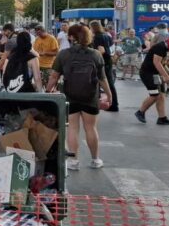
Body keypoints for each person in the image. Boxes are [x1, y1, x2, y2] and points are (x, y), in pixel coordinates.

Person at [47, 24, 112, 170]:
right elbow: (102, 78)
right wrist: (109, 95)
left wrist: (47, 91)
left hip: (70, 96)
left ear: (71, 37)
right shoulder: (95, 54)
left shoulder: (63, 54)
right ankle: (95, 160)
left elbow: (54, 76)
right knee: (91, 128)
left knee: (73, 128)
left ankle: (73, 161)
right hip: (90, 96)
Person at [135, 34, 169, 125]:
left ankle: (162, 118)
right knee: (155, 95)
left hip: (156, 74)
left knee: (161, 95)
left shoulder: (165, 48)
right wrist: (166, 77)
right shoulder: (160, 47)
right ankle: (140, 112)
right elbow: (157, 63)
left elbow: (162, 64)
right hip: (148, 73)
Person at [89, 21, 118, 112]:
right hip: (108, 60)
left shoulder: (97, 37)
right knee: (109, 83)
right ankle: (114, 104)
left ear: (93, 28)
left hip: (100, 61)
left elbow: (101, 50)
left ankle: (97, 104)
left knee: (98, 82)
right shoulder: (107, 36)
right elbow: (111, 48)